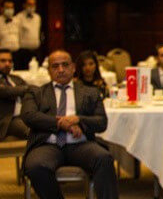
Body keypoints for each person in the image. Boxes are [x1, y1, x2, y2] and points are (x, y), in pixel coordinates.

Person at [21, 50, 118, 199]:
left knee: (104, 158)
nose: (60, 70)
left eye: (65, 65)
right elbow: (29, 116)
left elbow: (101, 122)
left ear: (73, 67)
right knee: (35, 167)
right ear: (49, 71)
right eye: (55, 66)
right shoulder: (36, 92)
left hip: (80, 144)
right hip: (47, 144)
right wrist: (61, 123)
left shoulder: (90, 92)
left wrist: (78, 119)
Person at [0, 49, 32, 142]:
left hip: (26, 115)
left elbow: (31, 91)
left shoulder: (16, 79)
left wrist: (24, 90)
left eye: (10, 61)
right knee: (33, 132)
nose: (7, 64)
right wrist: (24, 89)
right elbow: (6, 91)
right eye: (3, 61)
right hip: (6, 120)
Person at [0, 0, 22, 68]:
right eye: (7, 8)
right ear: (2, 9)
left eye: (11, 8)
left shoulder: (18, 21)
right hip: (2, 54)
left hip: (17, 54)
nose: (10, 10)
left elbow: (20, 36)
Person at [14, 0, 42, 70]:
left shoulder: (37, 17)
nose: (31, 6)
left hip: (36, 51)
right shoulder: (18, 17)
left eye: (33, 4)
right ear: (24, 5)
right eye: (29, 4)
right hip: (23, 52)